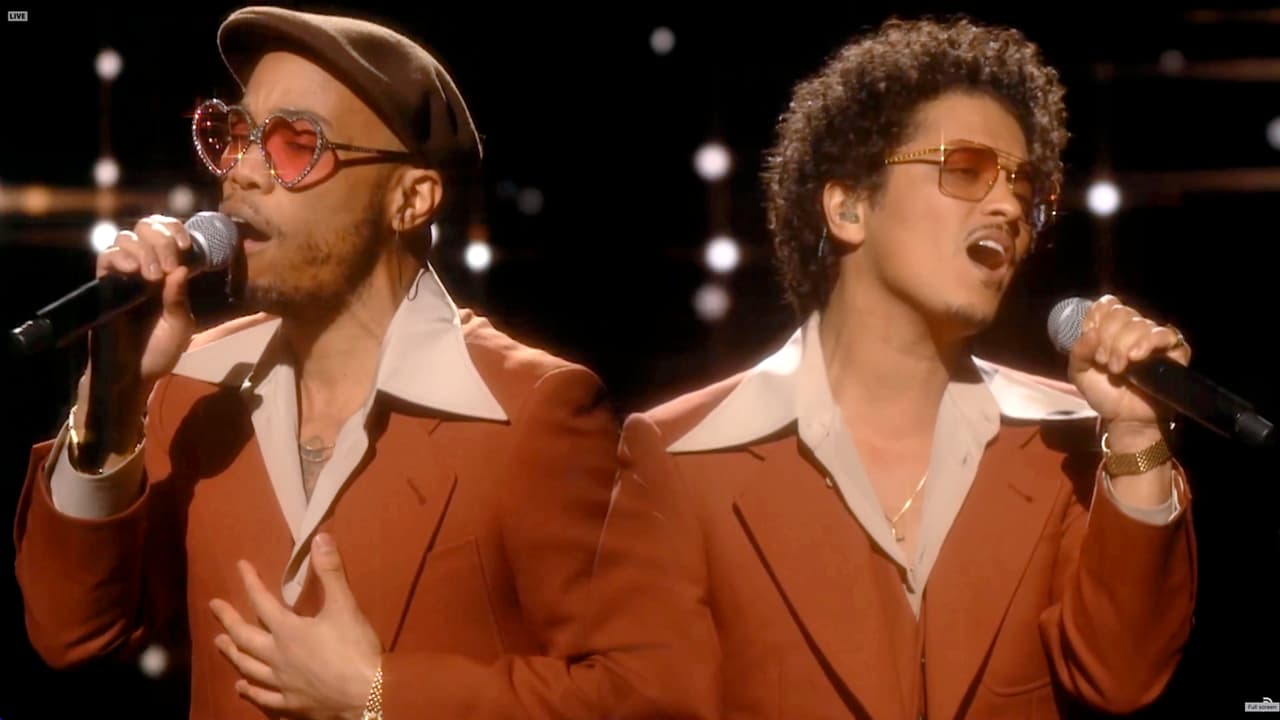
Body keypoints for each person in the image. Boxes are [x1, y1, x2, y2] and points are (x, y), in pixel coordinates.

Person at [14, 7, 627, 719]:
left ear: (411, 199)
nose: (241, 173)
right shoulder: (193, 391)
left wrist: (375, 695)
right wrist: (114, 393)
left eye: (294, 143)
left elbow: (632, 695)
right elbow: (73, 634)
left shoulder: (532, 409)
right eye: (235, 136)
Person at [592, 17, 1197, 719]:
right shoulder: (683, 457)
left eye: (1025, 189)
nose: (1008, 206)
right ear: (848, 207)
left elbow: (1122, 678)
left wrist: (1132, 437)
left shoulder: (1068, 441)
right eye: (965, 169)